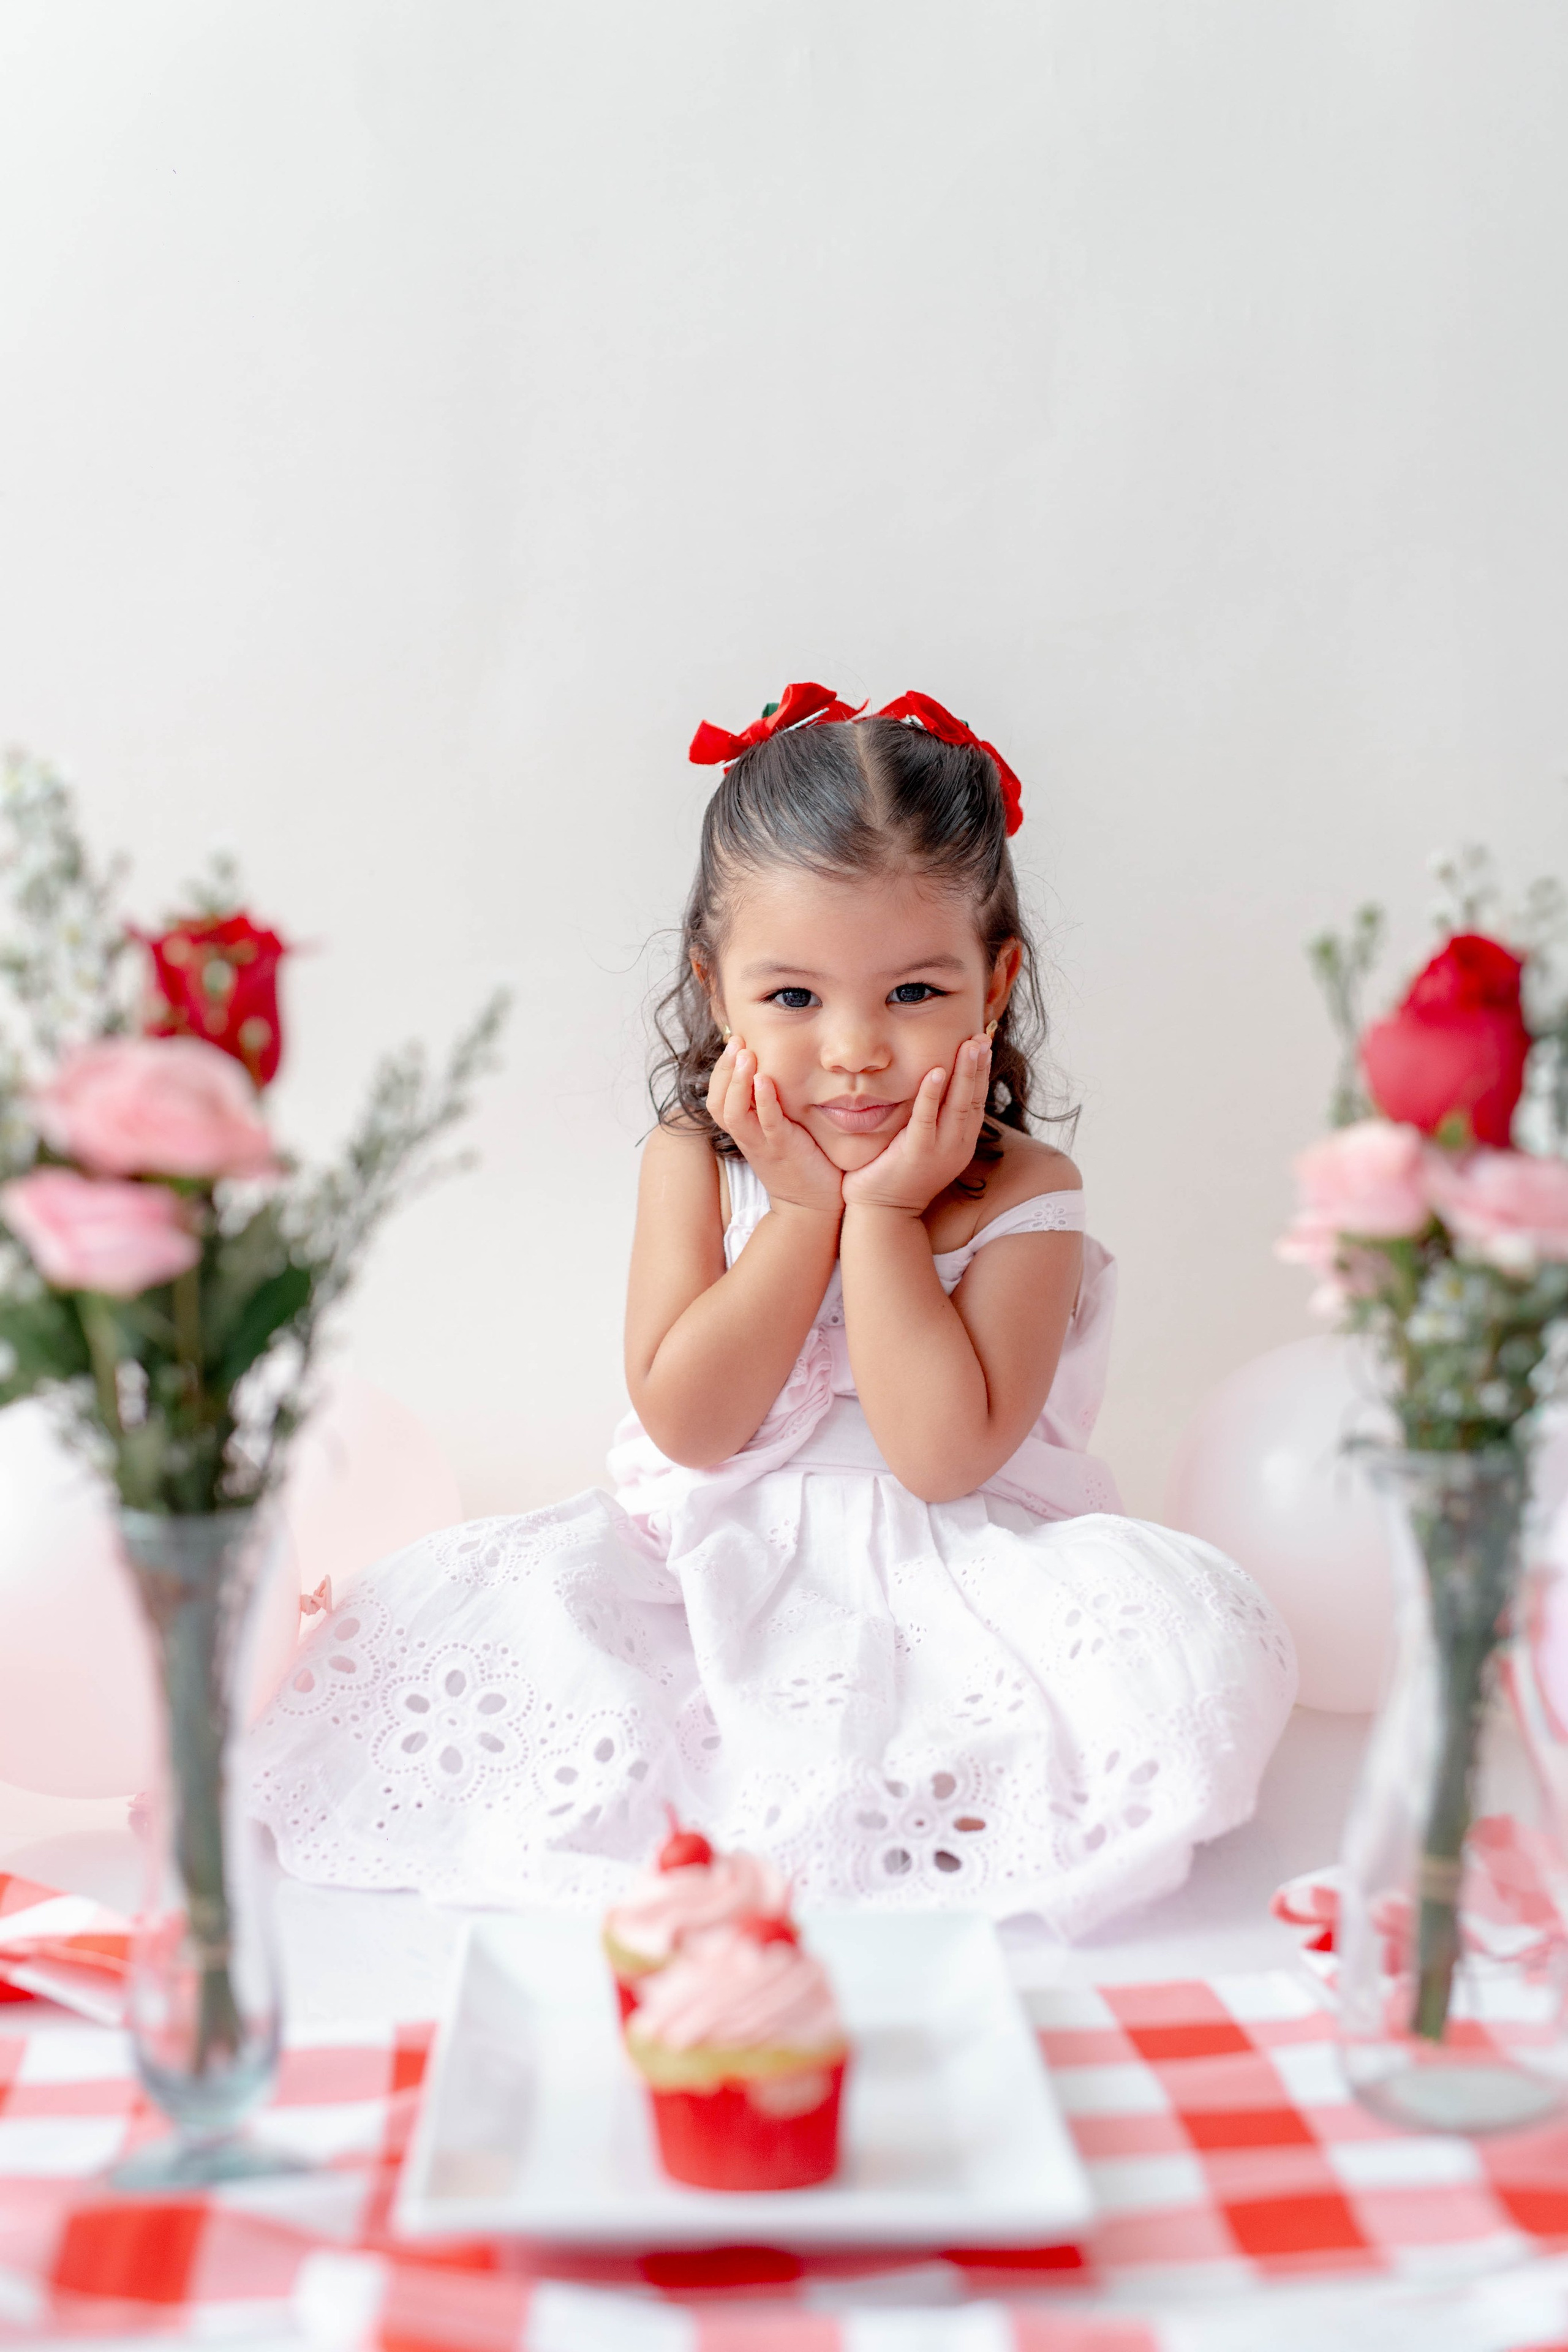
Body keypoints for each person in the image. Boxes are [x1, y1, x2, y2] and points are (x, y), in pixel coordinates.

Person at [250, 685, 1295, 1935]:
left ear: (995, 980)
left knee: (1171, 1663)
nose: (855, 1050)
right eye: (794, 998)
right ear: (716, 988)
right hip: (706, 1565)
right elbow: (691, 1426)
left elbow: (941, 1456)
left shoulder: (1026, 1191)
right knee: (509, 1660)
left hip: (961, 1578)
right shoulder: (694, 1164)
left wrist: (885, 1215)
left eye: (914, 993)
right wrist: (800, 1213)